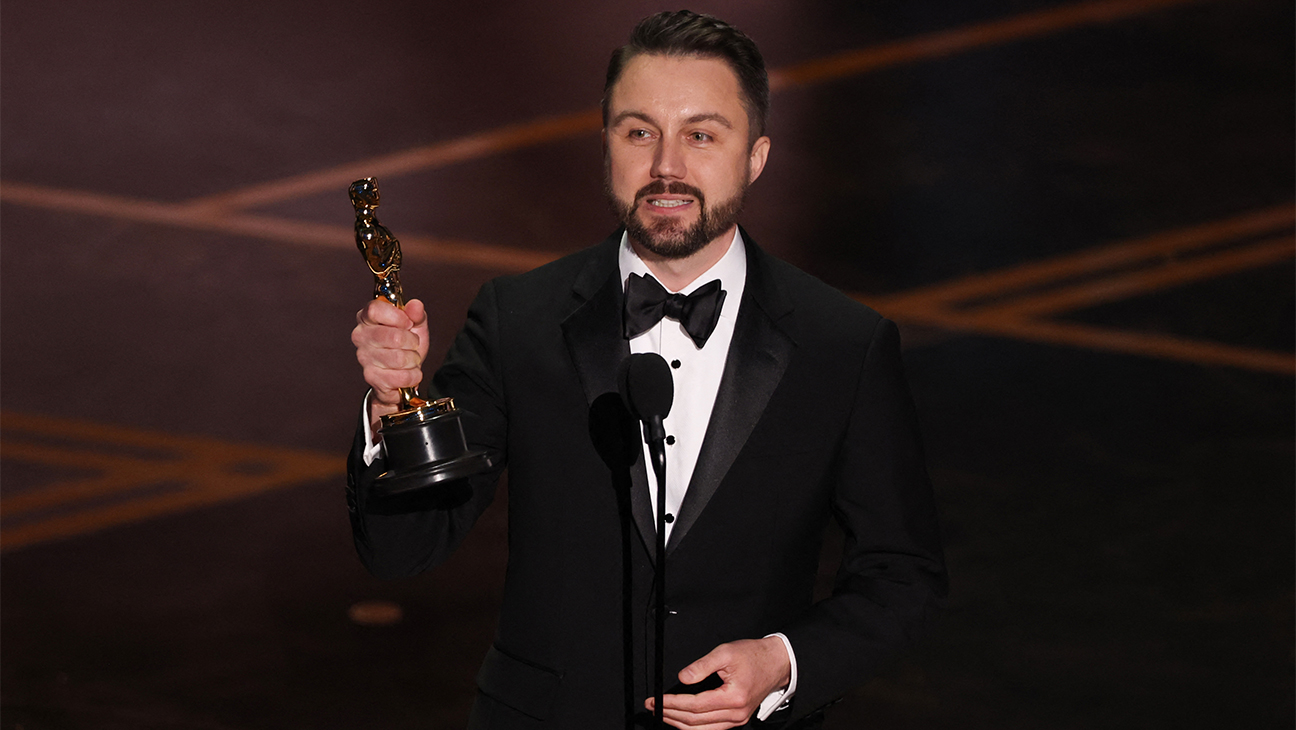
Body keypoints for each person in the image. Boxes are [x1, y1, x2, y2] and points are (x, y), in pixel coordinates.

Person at [347, 10, 946, 730]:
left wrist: (784, 662)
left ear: (755, 156)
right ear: (606, 146)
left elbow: (902, 575)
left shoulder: (842, 345)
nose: (667, 165)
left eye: (701, 134)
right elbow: (402, 547)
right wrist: (391, 410)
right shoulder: (519, 319)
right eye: (639, 132)